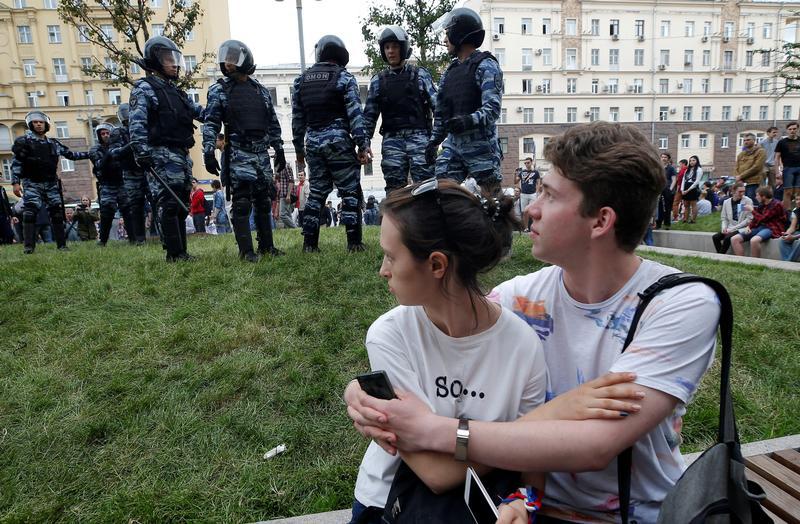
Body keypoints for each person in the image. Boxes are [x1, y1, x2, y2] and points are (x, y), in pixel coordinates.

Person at [347, 122, 721, 523]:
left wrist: (431, 430)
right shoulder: (521, 298)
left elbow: (595, 446)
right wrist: (360, 391)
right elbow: (446, 318)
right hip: (527, 506)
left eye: (549, 194)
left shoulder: (679, 304)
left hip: (634, 514)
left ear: (600, 221)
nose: (531, 207)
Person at [348, 178, 550, 523]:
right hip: (392, 506)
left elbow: (533, 479)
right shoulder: (389, 335)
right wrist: (521, 439)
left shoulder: (521, 345)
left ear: (437, 265)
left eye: (391, 257)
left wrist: (521, 503)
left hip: (485, 508)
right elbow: (435, 474)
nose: (382, 271)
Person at [203, 40, 286, 262]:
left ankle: (267, 247)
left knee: (263, 200)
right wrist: (208, 152)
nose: (228, 63)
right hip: (238, 153)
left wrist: (279, 149)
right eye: (226, 58)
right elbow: (210, 123)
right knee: (241, 202)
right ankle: (246, 251)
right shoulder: (219, 90)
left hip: (261, 154)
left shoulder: (260, 90)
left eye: (232, 58)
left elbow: (272, 122)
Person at [292, 35, 370, 253]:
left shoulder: (301, 81)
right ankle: (354, 242)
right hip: (338, 142)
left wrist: (299, 149)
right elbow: (355, 115)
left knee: (316, 192)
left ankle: (309, 244)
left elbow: (297, 119)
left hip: (313, 143)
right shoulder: (344, 78)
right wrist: (362, 145)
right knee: (350, 190)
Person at [129, 35, 204, 262]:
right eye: (168, 59)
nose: (174, 63)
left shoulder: (177, 92)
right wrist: (141, 152)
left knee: (181, 202)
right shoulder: (144, 88)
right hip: (160, 154)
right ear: (155, 61)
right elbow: (137, 123)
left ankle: (181, 251)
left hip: (181, 154)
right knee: (169, 203)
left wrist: (223, 113)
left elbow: (198, 112)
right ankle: (174, 253)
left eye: (175, 58)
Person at [426, 7, 503, 198]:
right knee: (443, 190)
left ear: (458, 33)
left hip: (481, 144)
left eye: (447, 34)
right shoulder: (449, 73)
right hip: (454, 143)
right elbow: (442, 113)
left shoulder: (486, 65)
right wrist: (433, 142)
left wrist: (467, 120)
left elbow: (492, 110)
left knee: (492, 199)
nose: (444, 40)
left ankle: (495, 227)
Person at [363, 25, 437, 195]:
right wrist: (364, 144)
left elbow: (438, 107)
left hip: (419, 138)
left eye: (395, 47)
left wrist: (436, 138)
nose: (390, 51)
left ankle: (427, 221)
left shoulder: (420, 75)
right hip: (392, 141)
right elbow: (369, 117)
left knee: (426, 186)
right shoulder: (378, 81)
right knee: (394, 189)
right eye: (387, 47)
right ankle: (397, 222)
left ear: (403, 48)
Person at [11, 110, 90, 253]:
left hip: (51, 183)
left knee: (57, 214)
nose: (39, 125)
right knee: (30, 213)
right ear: (31, 124)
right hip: (32, 183)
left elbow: (71, 155)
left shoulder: (53, 143)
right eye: (35, 122)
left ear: (46, 124)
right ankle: (29, 247)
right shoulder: (24, 142)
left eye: (41, 122)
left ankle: (62, 245)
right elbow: (16, 163)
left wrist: (90, 154)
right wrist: (15, 183)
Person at [109, 103, 148, 246]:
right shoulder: (117, 133)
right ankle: (139, 239)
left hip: (148, 171)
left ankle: (162, 235)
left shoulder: (144, 128)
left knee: (157, 203)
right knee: (136, 206)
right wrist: (131, 145)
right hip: (131, 173)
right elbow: (114, 153)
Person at [90, 122, 133, 245]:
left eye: (107, 133)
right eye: (102, 134)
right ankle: (103, 240)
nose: (105, 135)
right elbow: (99, 165)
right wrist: (110, 153)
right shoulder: (95, 149)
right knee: (107, 211)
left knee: (127, 210)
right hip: (107, 184)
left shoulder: (120, 146)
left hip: (121, 182)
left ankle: (133, 238)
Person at [730, 186, 786, 258]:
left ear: (764, 196)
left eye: (757, 195)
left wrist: (752, 210)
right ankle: (742, 262)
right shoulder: (762, 205)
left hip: (771, 228)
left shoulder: (776, 204)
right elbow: (756, 219)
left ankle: (755, 263)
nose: (756, 197)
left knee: (754, 240)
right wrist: (749, 227)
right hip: (760, 227)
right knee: (734, 239)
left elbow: (763, 219)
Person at [712, 182, 753, 254]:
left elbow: (748, 219)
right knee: (715, 237)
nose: (742, 193)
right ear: (733, 191)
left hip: (742, 228)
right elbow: (724, 218)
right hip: (730, 227)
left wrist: (733, 229)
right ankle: (721, 255)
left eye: (743, 191)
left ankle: (720, 256)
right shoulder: (726, 202)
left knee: (728, 238)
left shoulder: (747, 201)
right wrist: (724, 228)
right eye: (740, 191)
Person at [775, 121, 800, 212]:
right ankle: (786, 213)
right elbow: (776, 158)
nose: (792, 131)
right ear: (787, 130)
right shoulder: (782, 142)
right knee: (787, 192)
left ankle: (796, 213)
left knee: (798, 192)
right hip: (788, 168)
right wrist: (777, 172)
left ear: (797, 129)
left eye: (794, 129)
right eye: (790, 129)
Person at [734, 133, 766, 201]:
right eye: (744, 140)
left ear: (754, 140)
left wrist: (741, 176)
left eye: (748, 140)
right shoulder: (741, 154)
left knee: (752, 203)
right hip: (741, 184)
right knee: (742, 204)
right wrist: (738, 178)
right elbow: (736, 168)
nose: (746, 142)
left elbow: (757, 167)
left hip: (754, 182)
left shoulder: (760, 152)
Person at [516, 157, 539, 231]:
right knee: (524, 212)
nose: (526, 164)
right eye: (525, 163)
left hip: (532, 194)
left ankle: (534, 227)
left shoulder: (535, 172)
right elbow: (515, 182)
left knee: (532, 211)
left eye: (528, 162)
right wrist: (514, 174)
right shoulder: (522, 172)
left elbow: (538, 182)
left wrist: (537, 192)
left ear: (531, 162)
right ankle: (525, 228)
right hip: (523, 194)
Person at [655, 153, 676, 230]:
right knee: (658, 207)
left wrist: (670, 189)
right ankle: (658, 224)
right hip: (659, 189)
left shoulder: (671, 168)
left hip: (667, 190)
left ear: (668, 159)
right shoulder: (658, 167)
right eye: (662, 157)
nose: (663, 158)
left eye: (665, 157)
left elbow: (674, 180)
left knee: (667, 207)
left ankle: (667, 224)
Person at [680, 155, 703, 223]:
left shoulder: (699, 169)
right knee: (686, 205)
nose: (691, 162)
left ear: (697, 161)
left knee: (693, 204)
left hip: (693, 187)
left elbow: (697, 182)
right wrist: (682, 190)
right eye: (690, 160)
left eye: (693, 160)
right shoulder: (687, 169)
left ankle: (693, 220)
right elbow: (683, 179)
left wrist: (688, 190)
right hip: (686, 186)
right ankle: (685, 219)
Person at [274, 162, 295, 229]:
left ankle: (295, 228)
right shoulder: (279, 168)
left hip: (286, 194)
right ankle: (292, 231)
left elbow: (291, 181)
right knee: (288, 214)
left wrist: (288, 195)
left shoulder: (286, 166)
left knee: (282, 215)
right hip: (282, 194)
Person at [779, 193, 800, 261]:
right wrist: (786, 234)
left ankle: (788, 263)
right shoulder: (796, 211)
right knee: (782, 240)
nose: (798, 201)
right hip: (798, 232)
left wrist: (793, 237)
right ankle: (789, 263)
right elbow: (792, 227)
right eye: (797, 199)